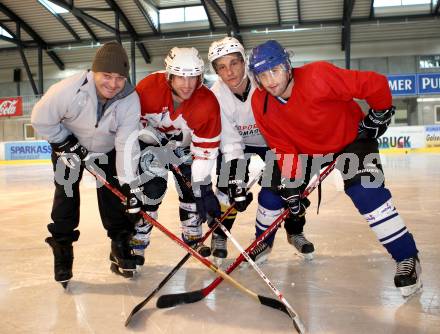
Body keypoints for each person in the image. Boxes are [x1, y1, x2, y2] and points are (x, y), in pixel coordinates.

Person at [248, 40, 422, 297]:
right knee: (274, 192)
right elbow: (281, 144)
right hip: (303, 149)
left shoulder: (319, 75)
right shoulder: (260, 102)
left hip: (351, 140)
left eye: (275, 71)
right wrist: (292, 182)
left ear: (287, 66)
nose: (270, 80)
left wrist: (381, 110)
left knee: (366, 191)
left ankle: (407, 257)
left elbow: (374, 83)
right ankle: (262, 242)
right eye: (263, 75)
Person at [31, 41, 143, 285]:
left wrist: (128, 183)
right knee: (66, 195)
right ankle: (62, 250)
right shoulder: (70, 89)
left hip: (107, 150)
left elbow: (126, 143)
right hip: (70, 147)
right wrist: (62, 141)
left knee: (114, 199)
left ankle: (120, 244)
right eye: (107, 75)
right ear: (94, 72)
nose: (113, 84)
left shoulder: (130, 100)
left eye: (120, 78)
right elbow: (39, 118)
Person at [208, 36, 315, 265]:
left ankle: (294, 230)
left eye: (234, 63)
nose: (230, 72)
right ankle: (220, 233)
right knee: (228, 186)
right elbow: (229, 140)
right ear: (216, 71)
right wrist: (237, 177)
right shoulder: (216, 96)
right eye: (222, 67)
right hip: (238, 144)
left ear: (244, 61)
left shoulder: (264, 79)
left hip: (273, 141)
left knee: (289, 185)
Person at [133, 47, 221, 262]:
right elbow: (131, 125)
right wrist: (152, 138)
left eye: (192, 77)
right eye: (180, 76)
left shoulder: (207, 103)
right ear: (169, 76)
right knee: (152, 189)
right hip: (150, 145)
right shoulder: (147, 88)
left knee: (192, 188)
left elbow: (205, 151)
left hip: (184, 147)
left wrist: (200, 184)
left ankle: (192, 235)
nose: (187, 84)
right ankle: (137, 240)